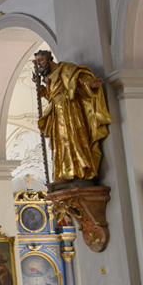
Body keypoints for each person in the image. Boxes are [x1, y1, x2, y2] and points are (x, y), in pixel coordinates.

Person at [32, 49, 113, 184]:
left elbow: (79, 78)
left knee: (71, 139)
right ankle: (64, 173)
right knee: (58, 143)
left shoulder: (65, 69)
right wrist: (41, 88)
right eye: (37, 62)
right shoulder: (48, 78)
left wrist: (90, 83)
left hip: (69, 111)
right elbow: (51, 96)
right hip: (56, 112)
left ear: (49, 59)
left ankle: (79, 171)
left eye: (41, 60)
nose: (39, 64)